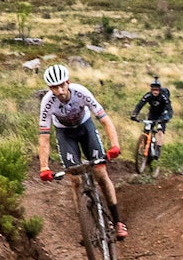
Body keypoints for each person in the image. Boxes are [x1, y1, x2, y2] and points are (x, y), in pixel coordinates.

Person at [35, 65, 125, 238]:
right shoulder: (47, 103)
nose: (60, 91)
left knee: (101, 174)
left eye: (62, 85)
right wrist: (44, 167)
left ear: (68, 82)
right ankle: (85, 227)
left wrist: (115, 146)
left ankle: (118, 221)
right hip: (65, 134)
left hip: (85, 128)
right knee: (75, 180)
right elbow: (44, 137)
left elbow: (105, 120)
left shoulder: (81, 92)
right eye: (55, 87)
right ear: (49, 88)